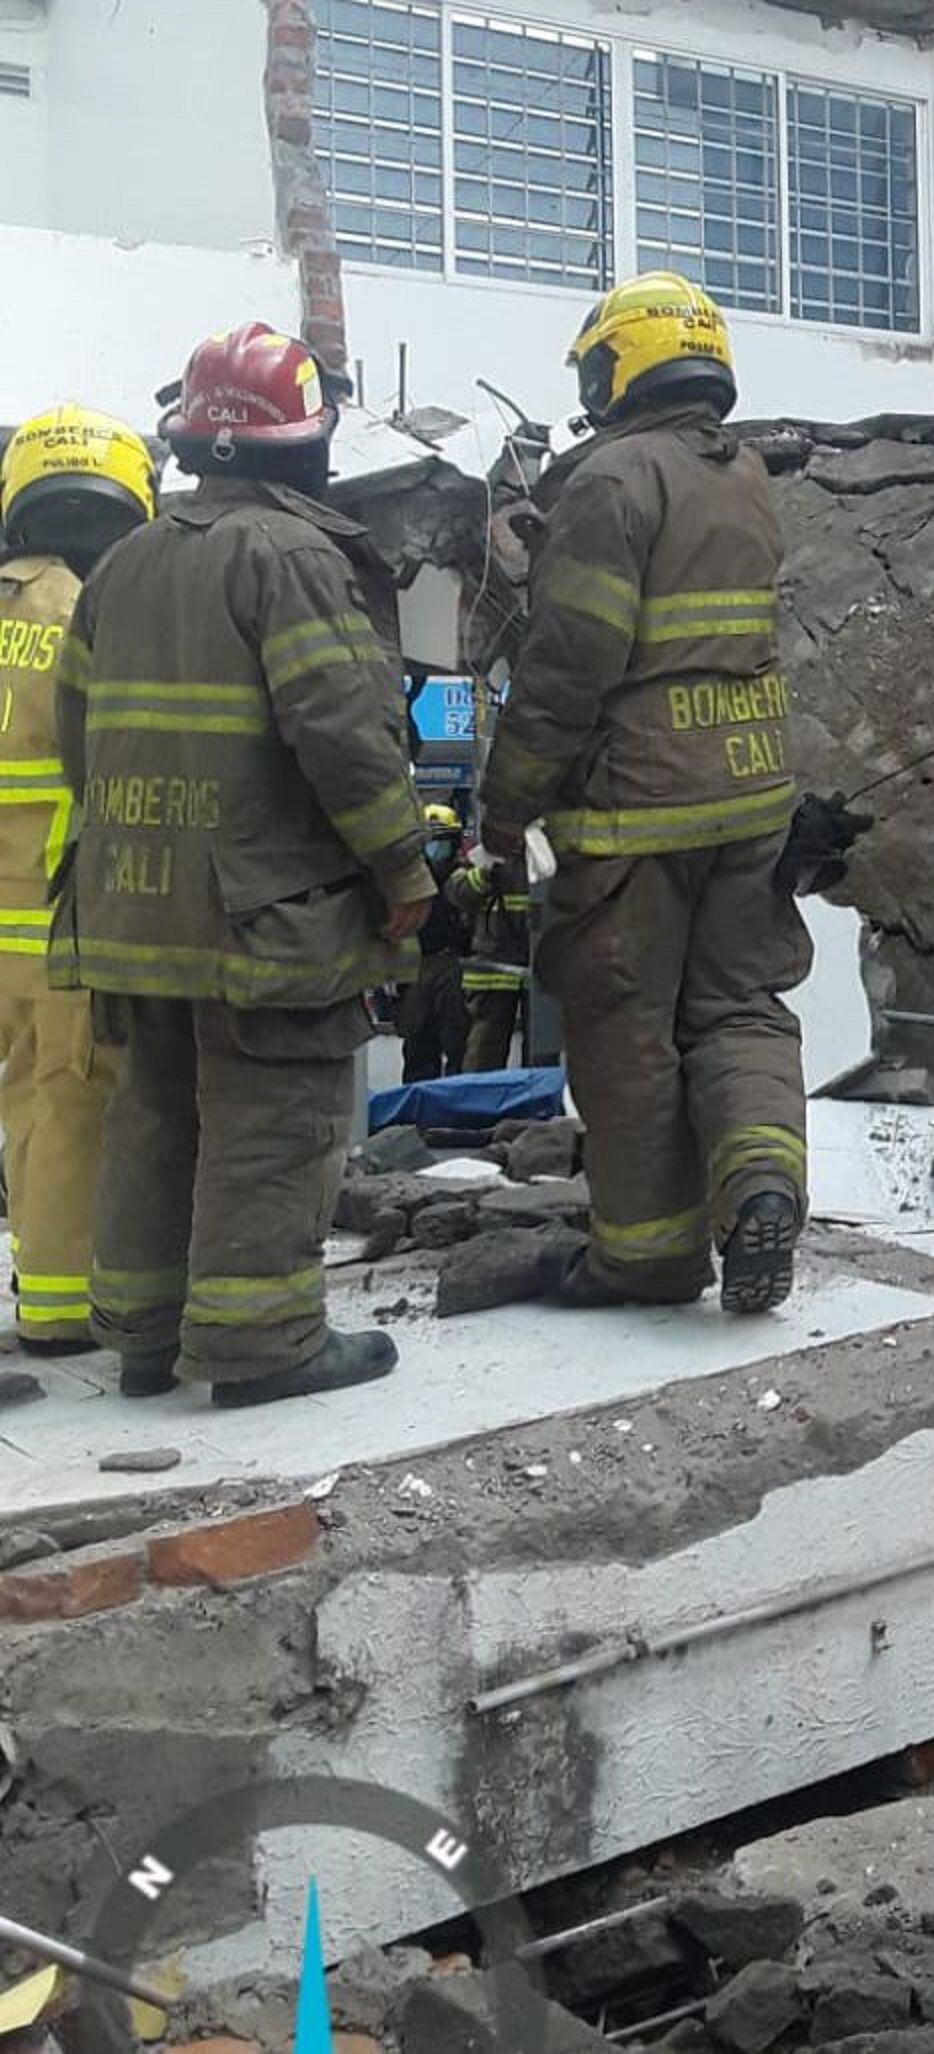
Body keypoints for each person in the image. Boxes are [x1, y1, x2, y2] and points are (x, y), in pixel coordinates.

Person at [53, 322, 433, 1406]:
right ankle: (262, 1343)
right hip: (263, 912)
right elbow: (346, 734)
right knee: (272, 1117)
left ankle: (143, 1336)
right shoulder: (294, 557)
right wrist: (402, 868)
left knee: (156, 1112)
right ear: (303, 444)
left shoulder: (124, 562)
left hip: (133, 905)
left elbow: (77, 734)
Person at [480, 272, 807, 1315]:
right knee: (739, 1008)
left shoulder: (613, 480)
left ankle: (648, 1255)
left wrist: (507, 802)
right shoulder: (744, 476)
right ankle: (761, 1183)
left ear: (617, 368)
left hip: (637, 811)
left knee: (625, 1022)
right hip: (751, 797)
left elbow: (568, 662)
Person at [0, 407, 153, 1355]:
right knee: (67, 1101)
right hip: (56, 922)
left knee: (26, 1098)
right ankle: (58, 1308)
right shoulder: (88, 618)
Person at [395, 800, 471, 1080]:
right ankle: (417, 1096)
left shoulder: (464, 881)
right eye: (430, 844)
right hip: (417, 968)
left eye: (442, 844)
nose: (436, 851)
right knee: (418, 1042)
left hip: (455, 966)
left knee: (458, 1041)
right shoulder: (408, 882)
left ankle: (456, 1098)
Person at [449, 824, 532, 1072]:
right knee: (484, 1052)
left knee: (541, 1053)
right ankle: (477, 1097)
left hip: (539, 969)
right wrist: (485, 874)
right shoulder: (487, 853)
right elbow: (455, 892)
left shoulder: (547, 856)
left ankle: (539, 1096)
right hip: (492, 970)